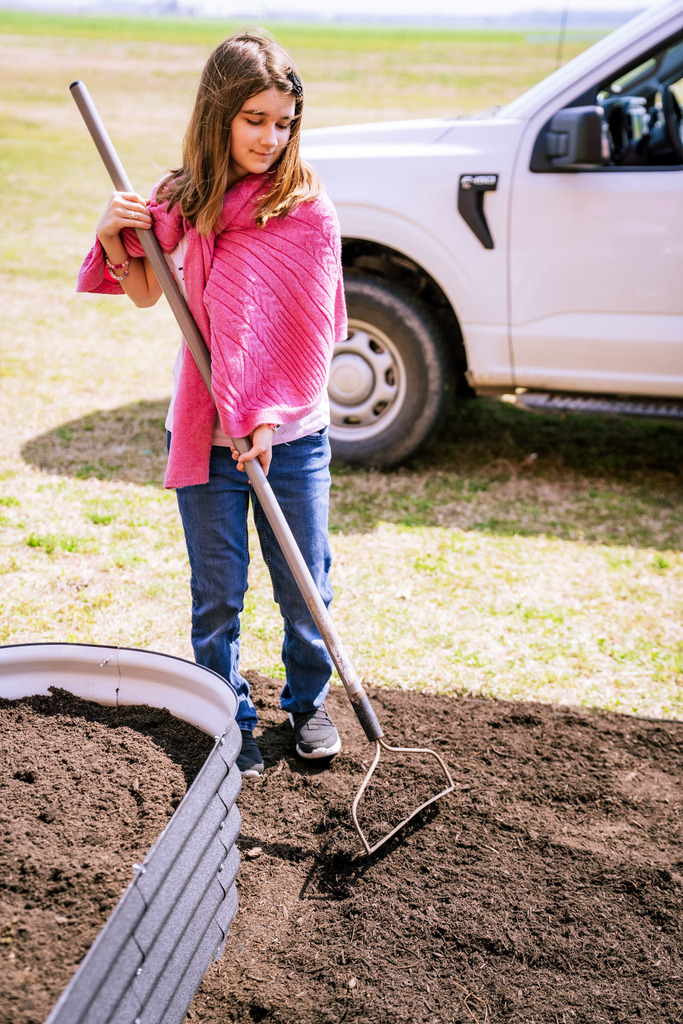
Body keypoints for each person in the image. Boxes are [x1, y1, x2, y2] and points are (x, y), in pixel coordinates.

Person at [77, 33, 347, 777]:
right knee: (217, 594)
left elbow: (310, 331)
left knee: (305, 586)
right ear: (219, 113)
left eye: (284, 121)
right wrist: (114, 235)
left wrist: (263, 412)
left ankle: (309, 703)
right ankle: (228, 716)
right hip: (204, 428)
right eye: (254, 118)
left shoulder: (306, 209)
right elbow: (141, 291)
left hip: (288, 434)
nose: (271, 137)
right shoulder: (183, 199)